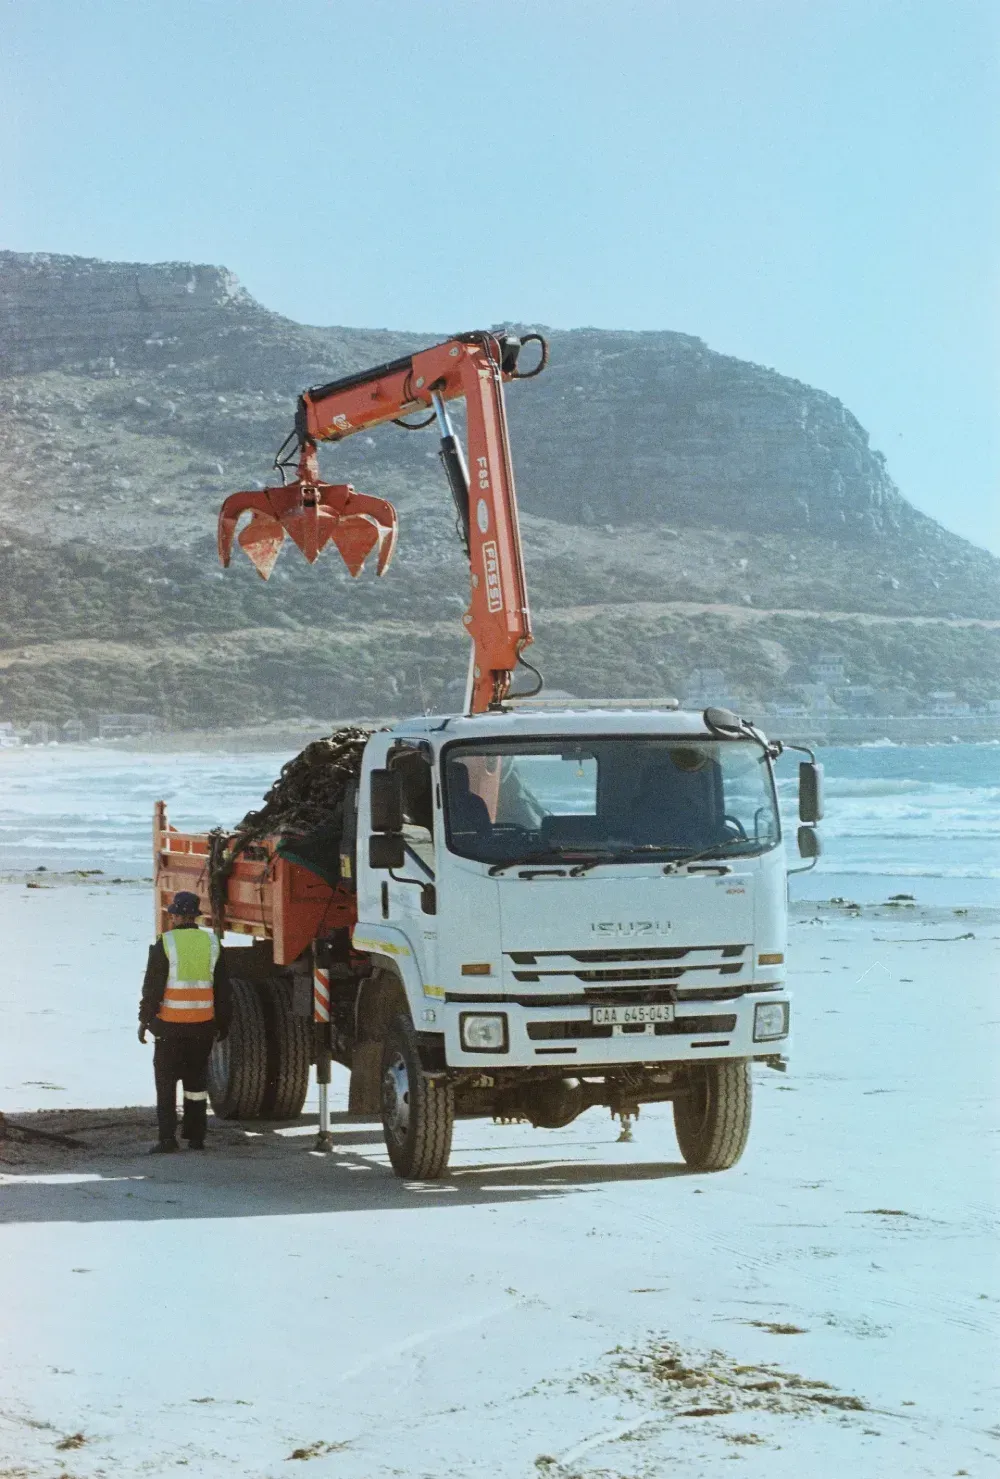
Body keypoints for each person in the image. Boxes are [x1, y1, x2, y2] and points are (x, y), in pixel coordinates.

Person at [138, 891, 232, 1153]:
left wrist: (145, 1019)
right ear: (196, 916)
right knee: (196, 1084)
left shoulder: (165, 943)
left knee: (166, 1084)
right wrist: (223, 1023)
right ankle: (196, 1137)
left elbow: (153, 988)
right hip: (202, 1026)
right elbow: (223, 990)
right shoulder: (212, 944)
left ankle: (167, 1139)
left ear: (177, 916)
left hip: (169, 1026)